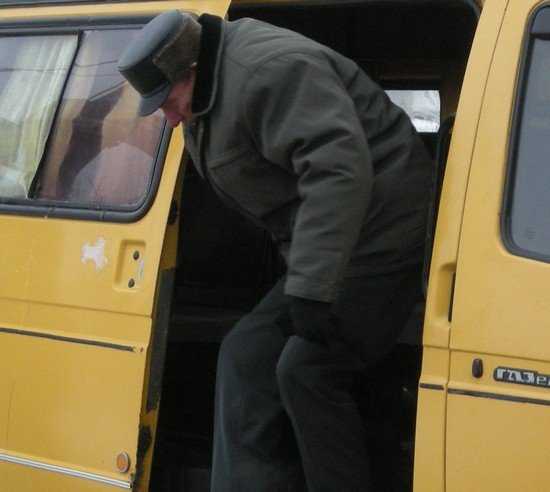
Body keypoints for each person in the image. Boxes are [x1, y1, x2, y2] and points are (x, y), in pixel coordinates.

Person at [118, 10, 432, 492]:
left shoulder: (269, 72)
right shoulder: (209, 89)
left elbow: (336, 172)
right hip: (336, 245)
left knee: (307, 370)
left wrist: (310, 288)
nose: (170, 117)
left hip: (386, 234)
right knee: (245, 355)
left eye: (169, 101)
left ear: (193, 70)